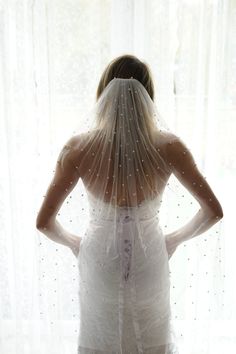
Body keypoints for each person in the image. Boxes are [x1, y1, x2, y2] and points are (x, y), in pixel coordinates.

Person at [36, 54, 223, 353]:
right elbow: (213, 211)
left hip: (100, 262)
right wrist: (173, 240)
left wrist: (76, 243)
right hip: (149, 258)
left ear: (102, 94)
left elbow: (44, 222)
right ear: (148, 96)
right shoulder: (169, 147)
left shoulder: (78, 148)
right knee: (150, 342)